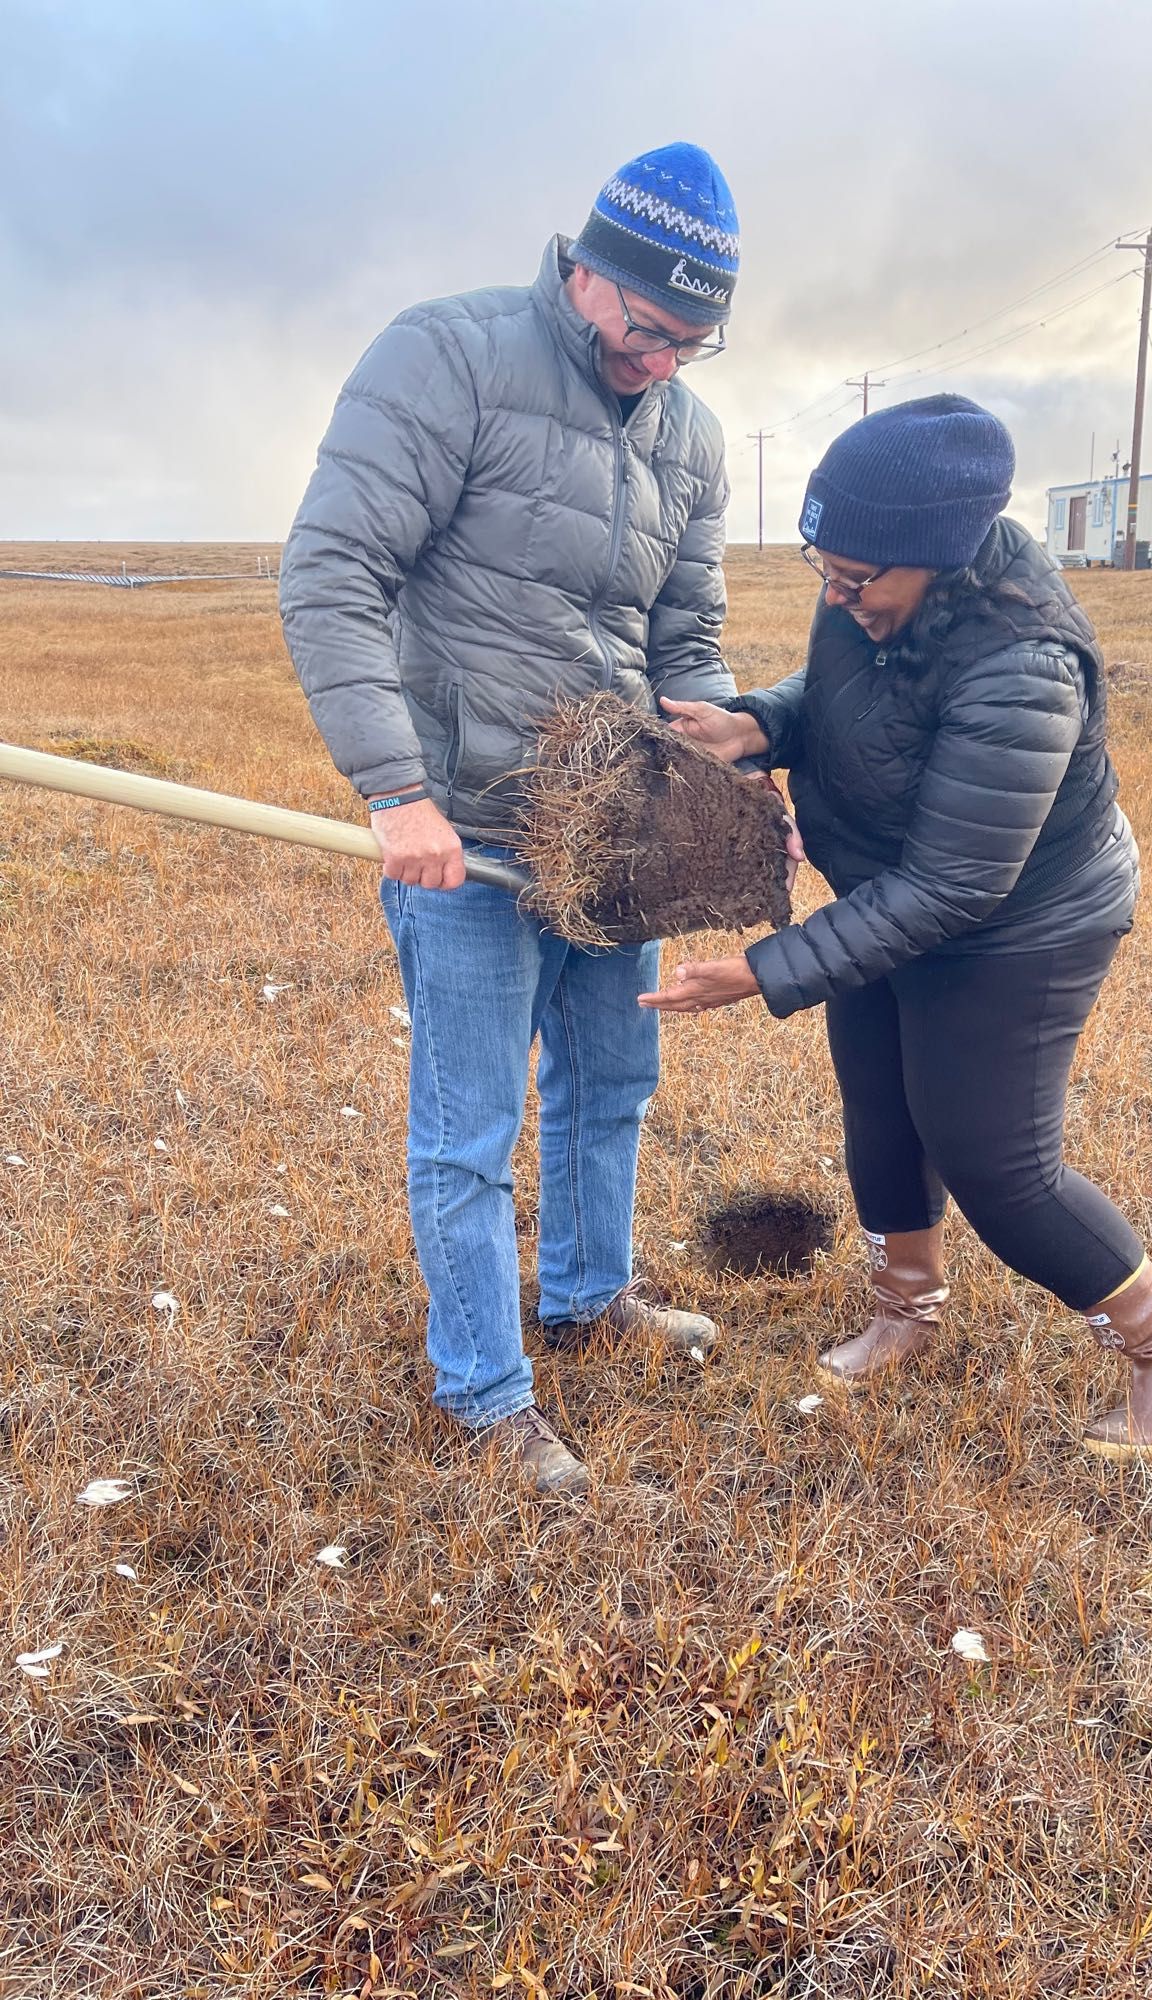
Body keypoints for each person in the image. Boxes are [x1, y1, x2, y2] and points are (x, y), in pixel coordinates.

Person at [644, 395, 1152, 1463]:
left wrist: (761, 969)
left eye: (857, 580)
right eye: (824, 572)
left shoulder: (1025, 666)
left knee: (997, 1162)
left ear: (941, 557)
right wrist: (764, 717)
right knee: (881, 1104)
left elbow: (955, 888)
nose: (838, 595)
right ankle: (907, 1310)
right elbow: (845, 690)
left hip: (1017, 924)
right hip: (886, 893)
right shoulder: (874, 583)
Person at [280, 143, 747, 1496]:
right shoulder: (450, 357)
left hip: (615, 838)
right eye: (647, 328)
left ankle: (589, 1293)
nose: (661, 362)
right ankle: (488, 1405)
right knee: (469, 1132)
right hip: (470, 837)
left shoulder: (690, 435)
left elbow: (687, 631)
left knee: (615, 1083)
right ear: (585, 270)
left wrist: (707, 757)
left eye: (692, 344)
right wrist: (396, 791)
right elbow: (332, 575)